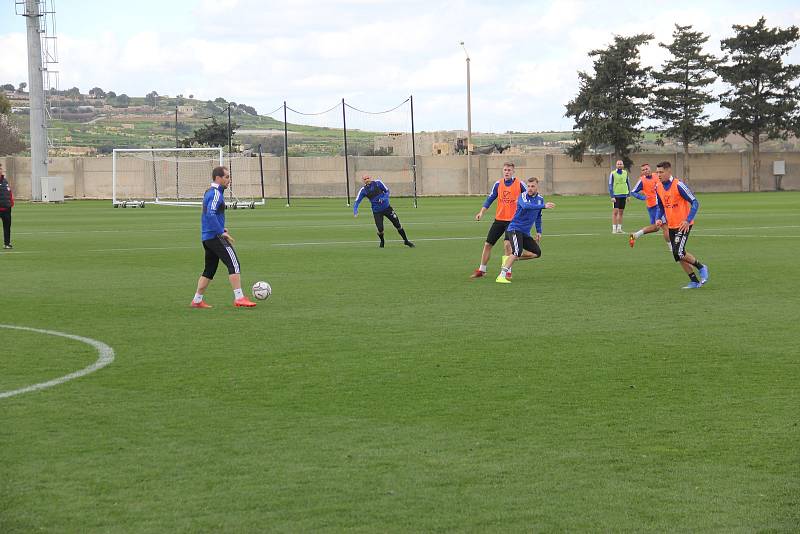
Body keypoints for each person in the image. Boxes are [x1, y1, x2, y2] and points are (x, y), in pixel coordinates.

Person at [190, 166, 257, 308]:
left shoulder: (211, 192)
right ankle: (239, 298)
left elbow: (210, 214)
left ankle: (197, 300)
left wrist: (220, 227)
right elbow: (211, 214)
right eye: (227, 177)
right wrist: (221, 231)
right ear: (218, 178)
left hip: (207, 237)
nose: (229, 180)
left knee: (209, 270)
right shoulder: (215, 193)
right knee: (234, 264)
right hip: (215, 237)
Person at [653, 161, 709, 289]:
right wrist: (658, 218)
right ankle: (694, 281)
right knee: (677, 256)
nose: (658, 175)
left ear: (668, 171)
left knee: (679, 251)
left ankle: (701, 267)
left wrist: (688, 220)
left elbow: (695, 202)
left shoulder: (679, 185)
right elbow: (660, 206)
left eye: (661, 172)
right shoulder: (658, 187)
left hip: (683, 224)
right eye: (657, 172)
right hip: (671, 225)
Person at [471, 162, 526, 278]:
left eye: (509, 170)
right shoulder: (498, 184)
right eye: (505, 170)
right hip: (499, 219)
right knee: (487, 244)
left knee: (507, 245)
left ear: (513, 171)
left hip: (513, 221)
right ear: (503, 171)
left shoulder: (520, 184)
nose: (507, 172)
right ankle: (482, 270)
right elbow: (490, 199)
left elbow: (529, 197)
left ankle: (506, 271)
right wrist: (481, 212)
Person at [496, 177, 555, 283]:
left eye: (533, 186)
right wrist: (543, 206)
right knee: (517, 251)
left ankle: (510, 258)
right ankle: (501, 275)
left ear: (537, 187)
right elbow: (525, 206)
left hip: (525, 232)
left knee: (536, 253)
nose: (530, 188)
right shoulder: (523, 196)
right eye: (528, 186)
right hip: (514, 228)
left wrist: (539, 231)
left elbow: (538, 216)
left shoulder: (540, 199)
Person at [353, 174, 414, 248]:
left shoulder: (378, 183)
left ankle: (406, 241)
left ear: (370, 178)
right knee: (380, 229)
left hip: (387, 208)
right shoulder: (363, 190)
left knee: (397, 224)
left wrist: (383, 198)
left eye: (368, 178)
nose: (367, 180)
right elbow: (357, 201)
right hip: (377, 212)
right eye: (365, 179)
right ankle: (382, 241)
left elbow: (387, 191)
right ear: (363, 181)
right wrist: (355, 210)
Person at [628, 162, 670, 250]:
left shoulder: (657, 175)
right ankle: (672, 248)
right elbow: (633, 192)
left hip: (660, 204)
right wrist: (642, 197)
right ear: (642, 172)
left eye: (646, 169)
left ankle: (635, 235)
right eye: (643, 170)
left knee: (655, 228)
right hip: (654, 206)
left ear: (650, 169)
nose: (645, 171)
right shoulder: (642, 180)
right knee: (665, 226)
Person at [608, 159, 630, 234]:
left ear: (623, 165)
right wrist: (612, 196)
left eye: (621, 164)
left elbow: (628, 183)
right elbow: (610, 185)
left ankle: (619, 228)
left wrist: (628, 195)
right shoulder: (613, 173)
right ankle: (614, 229)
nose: (619, 165)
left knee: (621, 212)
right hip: (616, 195)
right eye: (618, 164)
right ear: (616, 165)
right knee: (615, 212)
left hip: (623, 195)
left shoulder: (625, 173)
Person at [0, 163, 13, 249]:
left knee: (7, 227)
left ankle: (7, 243)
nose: (1, 170)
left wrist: (11, 202)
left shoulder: (5, 181)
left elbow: (9, 192)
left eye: (1, 169)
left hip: (6, 208)